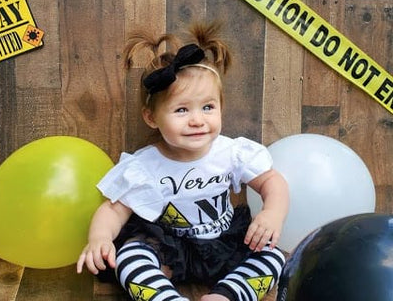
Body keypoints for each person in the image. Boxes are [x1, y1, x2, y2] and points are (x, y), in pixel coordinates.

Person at [77, 22, 289, 301]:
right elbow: (114, 209)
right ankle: (167, 297)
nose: (197, 120)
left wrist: (272, 214)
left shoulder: (231, 152)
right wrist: (100, 238)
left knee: (274, 256)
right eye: (181, 110)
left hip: (224, 244)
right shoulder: (145, 166)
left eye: (208, 107)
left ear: (220, 108)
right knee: (130, 256)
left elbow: (272, 181)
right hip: (169, 248)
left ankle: (227, 295)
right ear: (151, 118)